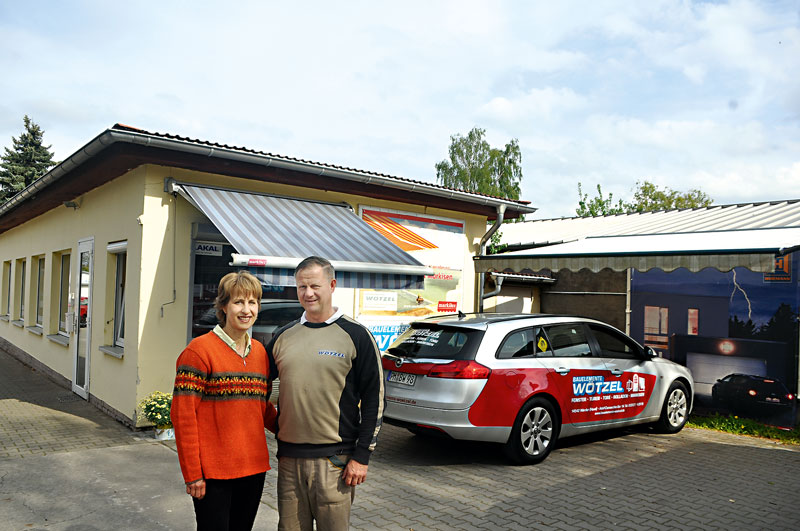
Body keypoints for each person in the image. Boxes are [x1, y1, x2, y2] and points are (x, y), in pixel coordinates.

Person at [266, 256, 384, 531]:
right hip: (289, 460)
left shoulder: (356, 335)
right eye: (301, 287)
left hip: (335, 463)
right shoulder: (283, 336)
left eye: (315, 286)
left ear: (332, 285)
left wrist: (362, 456)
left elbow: (374, 400)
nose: (308, 293)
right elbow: (258, 386)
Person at [171, 270, 278, 531]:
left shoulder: (260, 353)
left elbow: (261, 408)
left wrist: (297, 431)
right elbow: (183, 417)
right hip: (213, 473)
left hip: (253, 469)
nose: (246, 310)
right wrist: (193, 474)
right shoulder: (198, 351)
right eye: (238, 302)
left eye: (252, 302)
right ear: (223, 306)